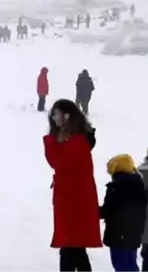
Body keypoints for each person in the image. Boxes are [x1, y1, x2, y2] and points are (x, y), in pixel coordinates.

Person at [44, 99, 101, 272]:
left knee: (70, 248)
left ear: (67, 116)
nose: (54, 118)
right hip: (72, 200)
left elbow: (56, 161)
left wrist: (51, 141)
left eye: (57, 115)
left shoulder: (76, 141)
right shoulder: (75, 139)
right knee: (74, 248)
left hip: (74, 202)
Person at [100, 154, 146, 272]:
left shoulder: (117, 187)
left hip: (119, 236)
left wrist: (89, 210)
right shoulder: (138, 185)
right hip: (133, 235)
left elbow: (108, 211)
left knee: (122, 266)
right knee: (130, 264)